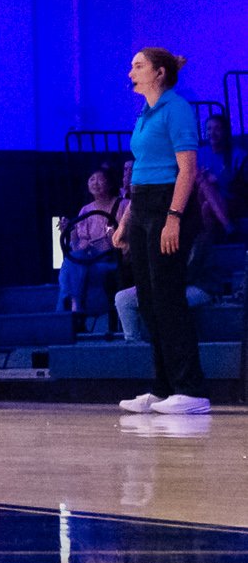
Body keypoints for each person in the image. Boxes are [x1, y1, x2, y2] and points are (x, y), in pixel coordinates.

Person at [116, 47, 210, 416]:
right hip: (142, 207)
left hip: (167, 205)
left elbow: (187, 170)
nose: (131, 73)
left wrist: (174, 217)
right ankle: (163, 387)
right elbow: (140, 170)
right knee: (148, 299)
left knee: (168, 297)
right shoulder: (144, 112)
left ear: (159, 72)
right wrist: (126, 222)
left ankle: (191, 389)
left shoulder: (177, 108)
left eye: (138, 66)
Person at [58, 168, 121, 324]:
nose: (95, 183)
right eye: (92, 179)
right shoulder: (85, 210)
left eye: (100, 179)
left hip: (113, 257)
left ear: (109, 183)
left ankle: (71, 310)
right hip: (91, 258)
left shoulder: (123, 205)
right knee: (72, 260)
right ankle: (75, 305)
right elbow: (78, 248)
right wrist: (70, 230)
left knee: (71, 265)